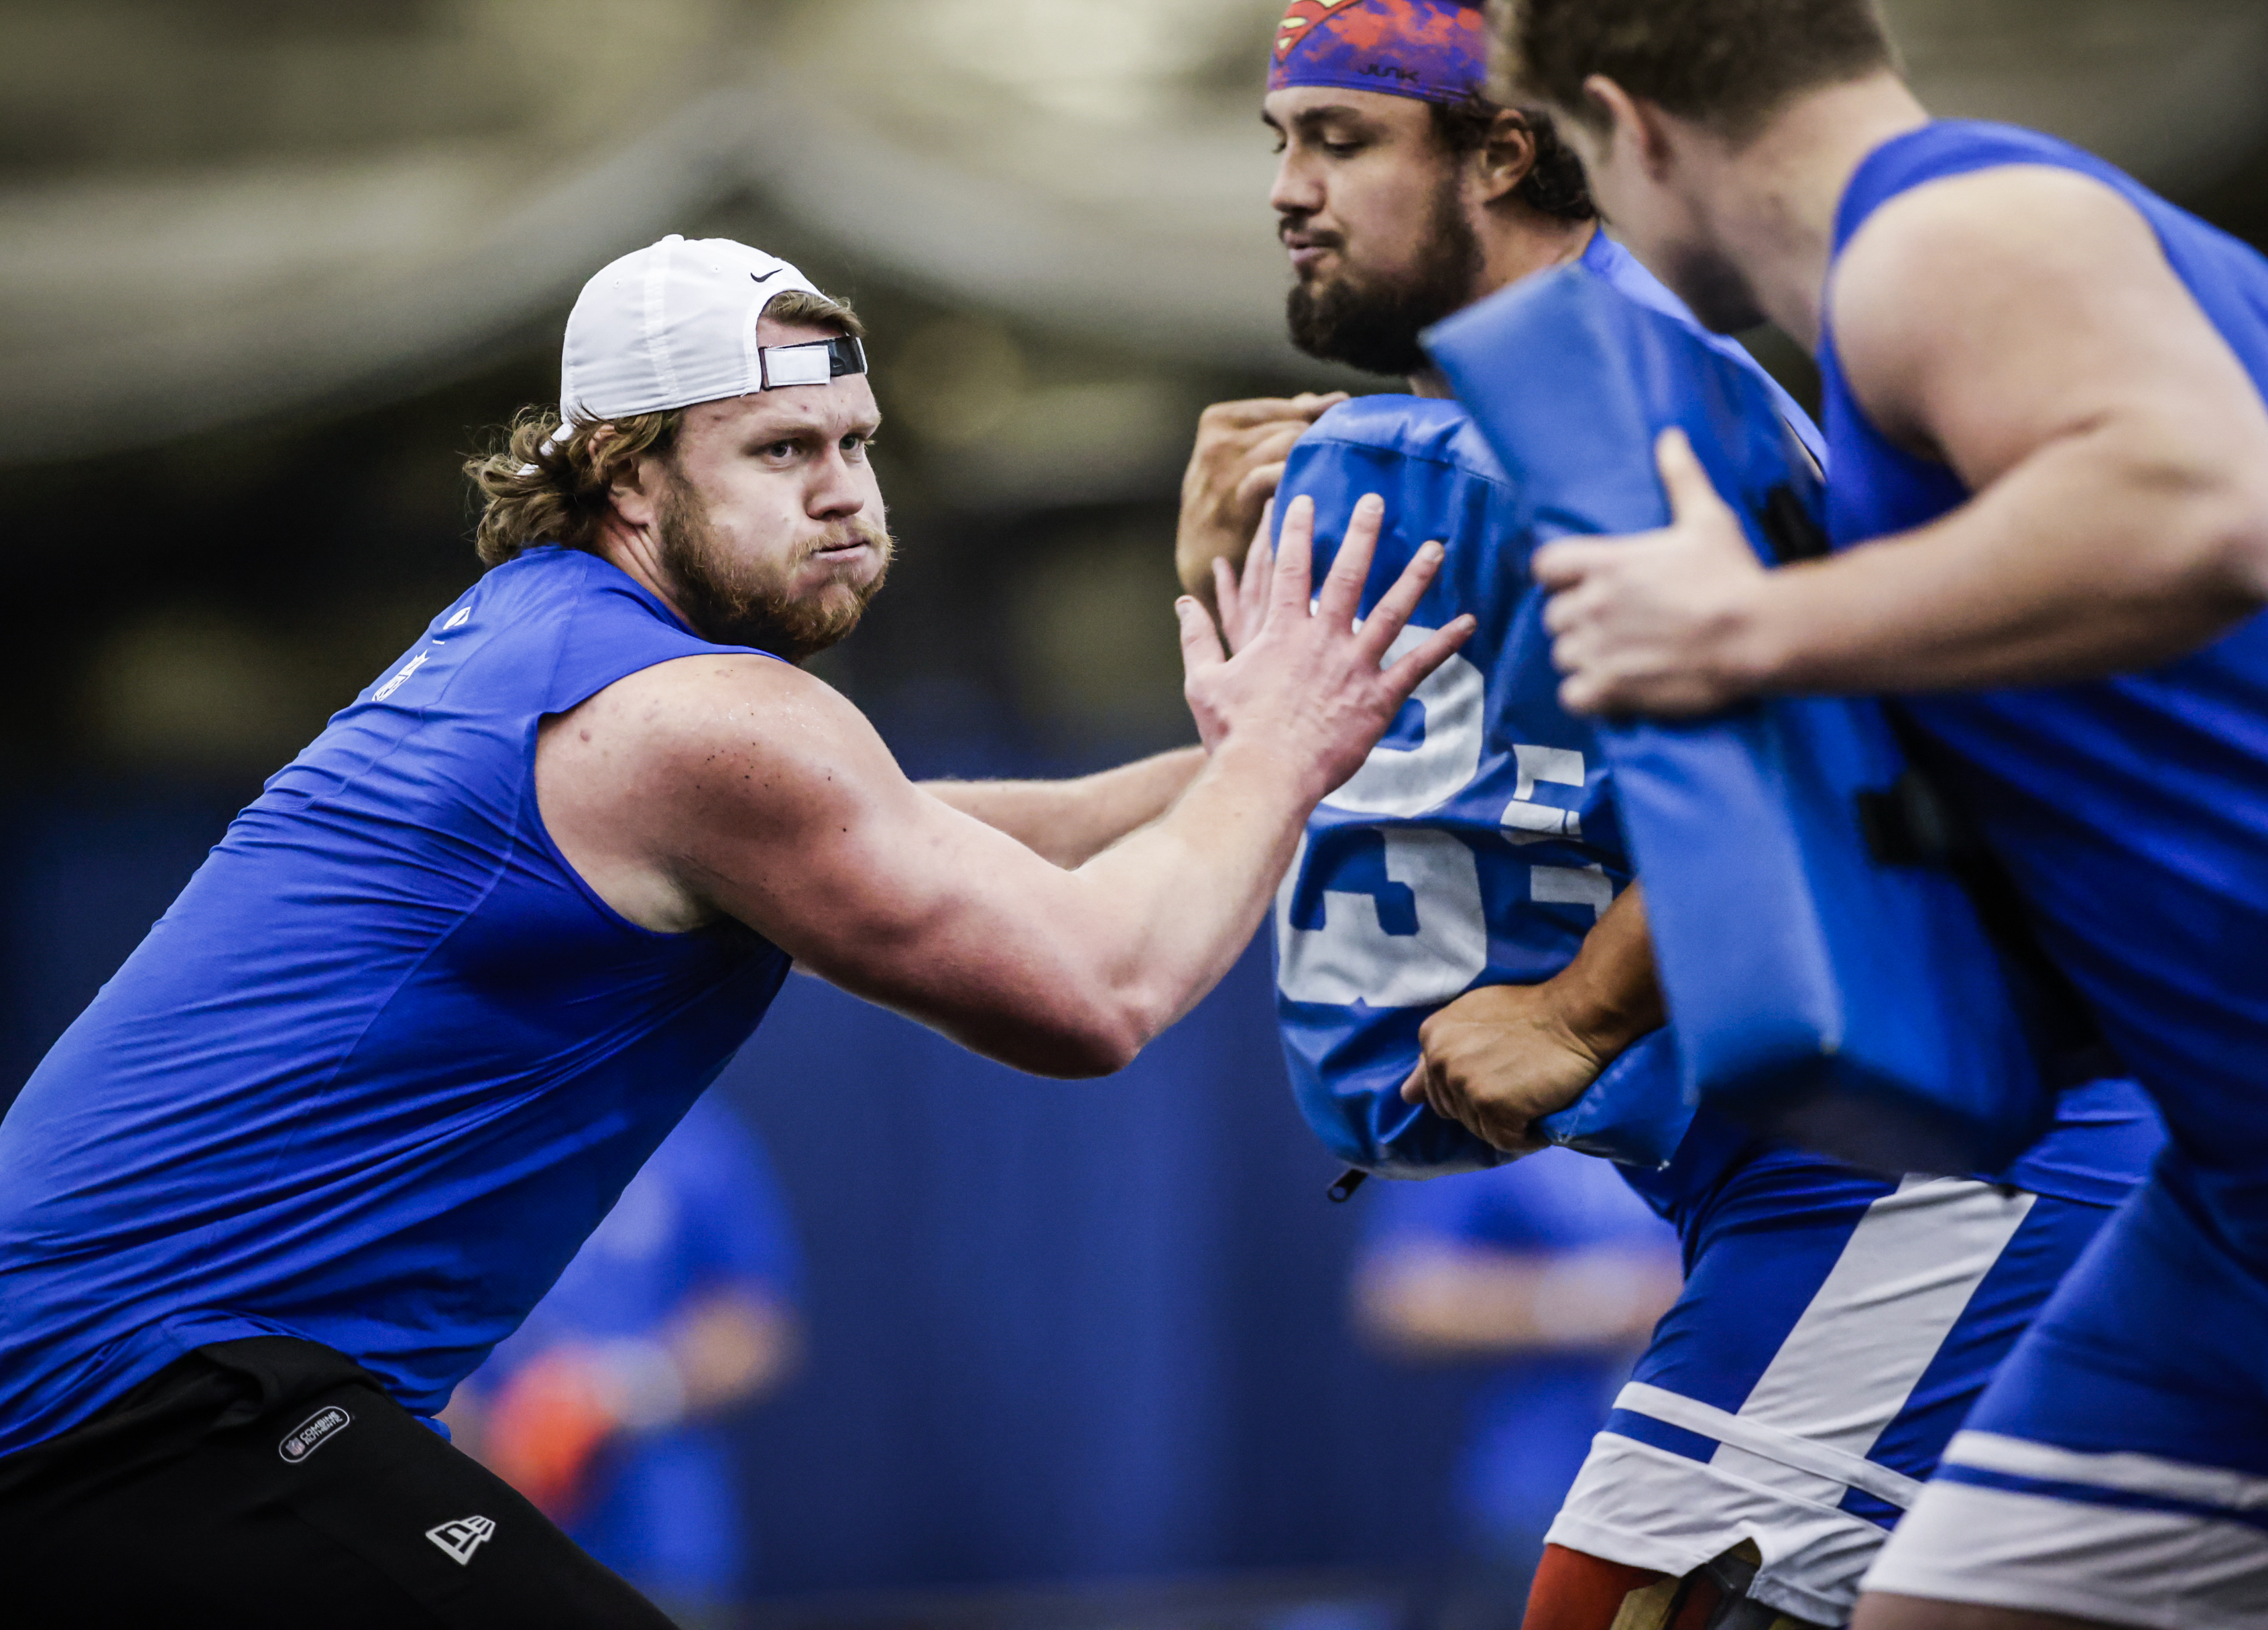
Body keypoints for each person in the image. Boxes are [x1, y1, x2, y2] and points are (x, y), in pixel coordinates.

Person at [0, 233, 1472, 1628]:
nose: (843, 491)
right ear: (627, 478)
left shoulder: (551, 639)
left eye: (857, 443)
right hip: (133, 1399)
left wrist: (1245, 764)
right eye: (781, 450)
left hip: (103, 1393)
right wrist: (1285, 750)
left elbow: (917, 830)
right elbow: (1100, 988)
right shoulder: (703, 722)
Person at [1174, 5, 2161, 1624]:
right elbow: (1395, 801)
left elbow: (1836, 744)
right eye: (1279, 141)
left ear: (1506, 149)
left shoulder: (1620, 394)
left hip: (1920, 1167)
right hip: (1859, 1165)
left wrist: (1577, 1006)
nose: (1288, 187)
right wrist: (1225, 595)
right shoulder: (1505, 416)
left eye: (1341, 138)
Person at [1478, 1, 2268, 1625]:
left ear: (1624, 125)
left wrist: (1746, 628)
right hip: (2234, 1198)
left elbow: (2202, 516)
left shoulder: (1945, 236)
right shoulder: (2127, 250)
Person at [447, 1092, 800, 1626]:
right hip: (477, 1540)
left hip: (660, 1554)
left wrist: (619, 1392)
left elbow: (756, 1329)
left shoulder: (694, 1132)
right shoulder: (453, 1131)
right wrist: (480, 1435)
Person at [1352, 1151, 1681, 1630]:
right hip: (1550, 1495)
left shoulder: (1756, 1098)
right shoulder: (1488, 1106)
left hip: (1747, 1491)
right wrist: (1610, 1299)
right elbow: (1403, 1293)